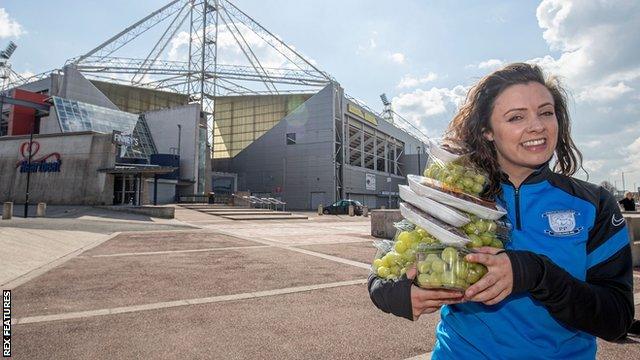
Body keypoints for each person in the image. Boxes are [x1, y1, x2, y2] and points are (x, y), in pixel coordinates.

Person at [368, 63, 634, 359]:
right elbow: (384, 270)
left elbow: (617, 319)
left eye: (546, 112)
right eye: (516, 117)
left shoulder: (593, 203)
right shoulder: (456, 194)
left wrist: (534, 273)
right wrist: (396, 295)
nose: (537, 126)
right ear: (487, 131)